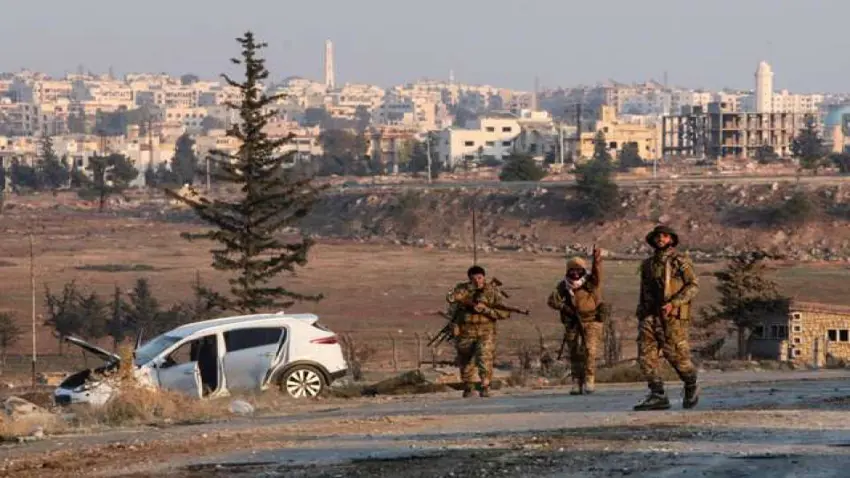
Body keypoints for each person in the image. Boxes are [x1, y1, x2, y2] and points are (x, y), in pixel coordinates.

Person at [633, 225, 700, 411]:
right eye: (657, 236)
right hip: (649, 315)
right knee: (646, 356)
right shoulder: (647, 264)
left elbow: (693, 286)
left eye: (664, 236)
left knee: (677, 356)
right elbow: (644, 290)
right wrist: (642, 312)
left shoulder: (680, 261)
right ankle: (657, 394)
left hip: (672, 317)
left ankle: (691, 383)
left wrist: (674, 303)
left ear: (671, 239)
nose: (660, 239)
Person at [446, 265, 511, 397]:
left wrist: (486, 310)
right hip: (465, 330)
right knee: (466, 360)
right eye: (473, 278)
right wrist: (468, 291)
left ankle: (485, 384)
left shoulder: (492, 291)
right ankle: (469, 386)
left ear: (484, 277)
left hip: (486, 330)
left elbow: (504, 313)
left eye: (480, 278)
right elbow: (451, 299)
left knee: (484, 356)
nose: (477, 281)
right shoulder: (462, 289)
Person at [547, 245, 605, 395]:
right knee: (574, 353)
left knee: (590, 351)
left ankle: (589, 379)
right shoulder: (563, 286)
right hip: (573, 323)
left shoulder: (590, 283)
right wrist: (564, 307)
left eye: (578, 269)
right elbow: (551, 301)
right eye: (572, 270)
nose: (575, 273)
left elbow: (597, 274)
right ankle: (576, 381)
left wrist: (596, 260)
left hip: (591, 321)